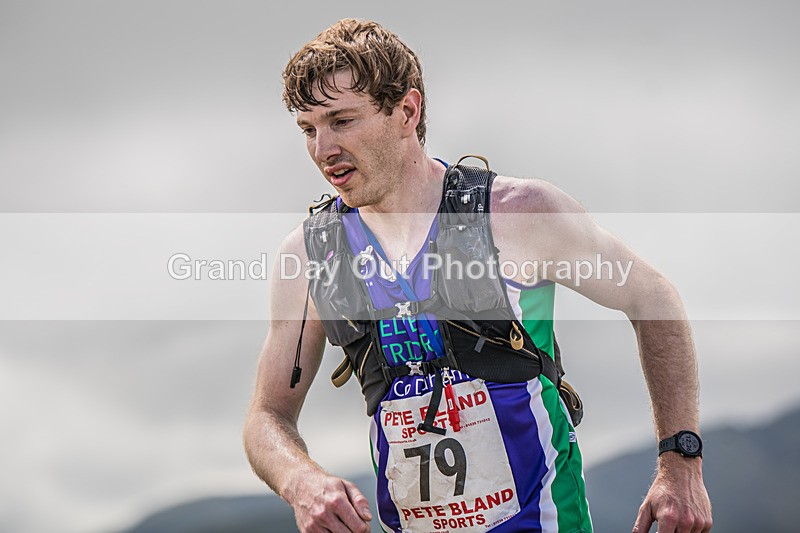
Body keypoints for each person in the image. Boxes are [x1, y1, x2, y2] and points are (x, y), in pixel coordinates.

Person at [243, 18, 712, 533]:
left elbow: (652, 299)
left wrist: (680, 462)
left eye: (342, 121)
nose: (323, 149)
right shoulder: (313, 255)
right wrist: (301, 480)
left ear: (407, 111)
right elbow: (267, 416)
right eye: (309, 129)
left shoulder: (517, 214)